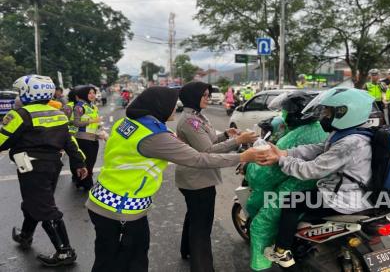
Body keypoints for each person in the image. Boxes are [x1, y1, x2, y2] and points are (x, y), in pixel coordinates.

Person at [85, 86, 266, 272]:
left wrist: (227, 137)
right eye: (172, 103)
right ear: (160, 106)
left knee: (107, 259)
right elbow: (199, 158)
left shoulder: (128, 123)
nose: (175, 107)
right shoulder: (155, 136)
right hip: (122, 208)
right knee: (132, 262)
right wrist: (244, 156)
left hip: (103, 198)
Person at [260, 88, 375, 268]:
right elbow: (320, 148)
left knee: (291, 202)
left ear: (344, 113)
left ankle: (281, 251)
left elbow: (311, 170)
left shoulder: (349, 143)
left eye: (328, 112)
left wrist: (281, 160)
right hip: (360, 192)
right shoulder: (356, 134)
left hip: (344, 198)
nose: (324, 116)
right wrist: (287, 152)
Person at [1, 75, 87, 266]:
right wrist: (80, 163)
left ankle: (65, 251)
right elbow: (70, 141)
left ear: (27, 93)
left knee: (44, 207)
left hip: (32, 167)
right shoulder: (57, 114)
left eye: (20, 92)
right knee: (37, 201)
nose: (18, 95)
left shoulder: (20, 114)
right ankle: (25, 236)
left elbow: (2, 140)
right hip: (53, 165)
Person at [175, 82, 258, 272]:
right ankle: (202, 266)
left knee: (194, 217)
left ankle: (187, 250)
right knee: (201, 226)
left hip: (196, 177)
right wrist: (238, 141)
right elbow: (207, 151)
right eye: (204, 95)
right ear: (193, 97)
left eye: (208, 94)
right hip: (197, 180)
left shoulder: (197, 116)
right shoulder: (190, 120)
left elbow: (208, 140)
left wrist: (227, 135)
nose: (208, 98)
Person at [71, 85, 102, 189]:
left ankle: (81, 181)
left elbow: (96, 123)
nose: (92, 95)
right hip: (83, 138)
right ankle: (87, 183)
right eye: (90, 93)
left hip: (93, 137)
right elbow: (76, 122)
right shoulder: (79, 106)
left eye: (94, 93)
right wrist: (92, 121)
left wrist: (99, 132)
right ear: (84, 94)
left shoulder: (93, 106)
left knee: (91, 161)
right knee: (87, 162)